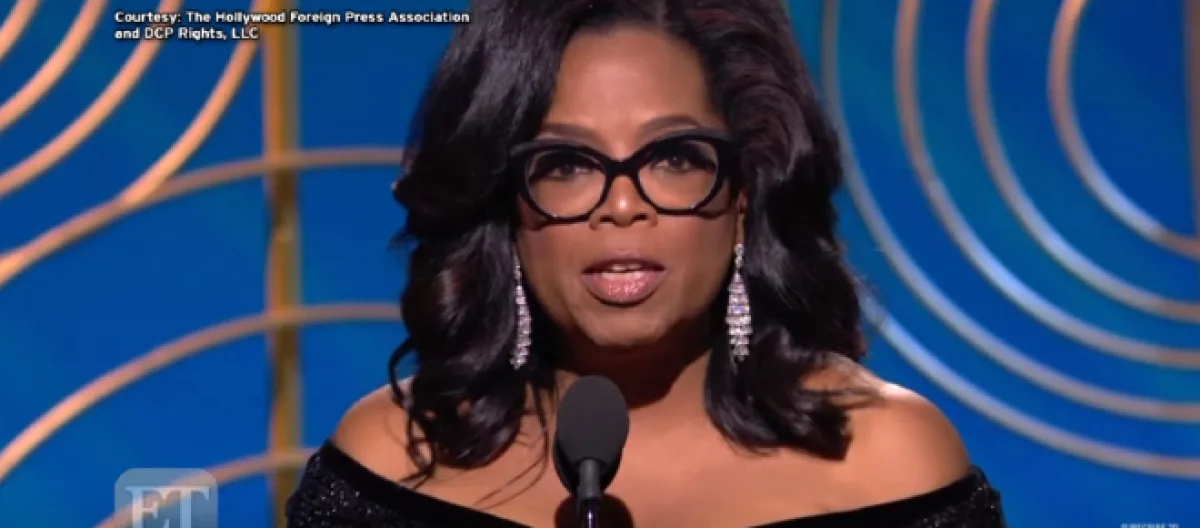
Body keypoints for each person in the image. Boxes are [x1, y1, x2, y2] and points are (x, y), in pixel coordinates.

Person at [286, 0, 1007, 525]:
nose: (623, 205)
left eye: (674, 158)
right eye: (566, 164)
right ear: (506, 208)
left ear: (745, 195)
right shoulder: (393, 462)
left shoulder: (890, 465)